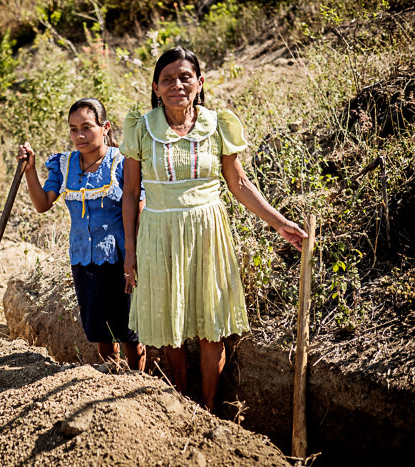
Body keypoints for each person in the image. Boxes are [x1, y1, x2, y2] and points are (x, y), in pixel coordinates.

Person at [120, 47, 307, 412]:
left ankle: (207, 409)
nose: (177, 85)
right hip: (159, 234)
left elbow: (239, 184)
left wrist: (280, 222)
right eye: (168, 79)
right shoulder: (141, 128)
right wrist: (130, 249)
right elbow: (130, 192)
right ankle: (180, 402)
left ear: (200, 82)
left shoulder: (217, 124)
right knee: (169, 326)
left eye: (185, 77)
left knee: (211, 327)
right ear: (156, 88)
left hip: (208, 232)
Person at [17, 98, 146, 371]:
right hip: (83, 261)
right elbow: (42, 204)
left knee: (130, 334)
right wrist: (30, 170)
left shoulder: (123, 163)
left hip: (120, 259)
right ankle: (110, 380)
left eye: (87, 127)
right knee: (100, 331)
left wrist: (133, 259)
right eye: (73, 129)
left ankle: (137, 382)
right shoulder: (64, 165)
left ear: (105, 127)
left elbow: (138, 210)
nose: (80, 135)